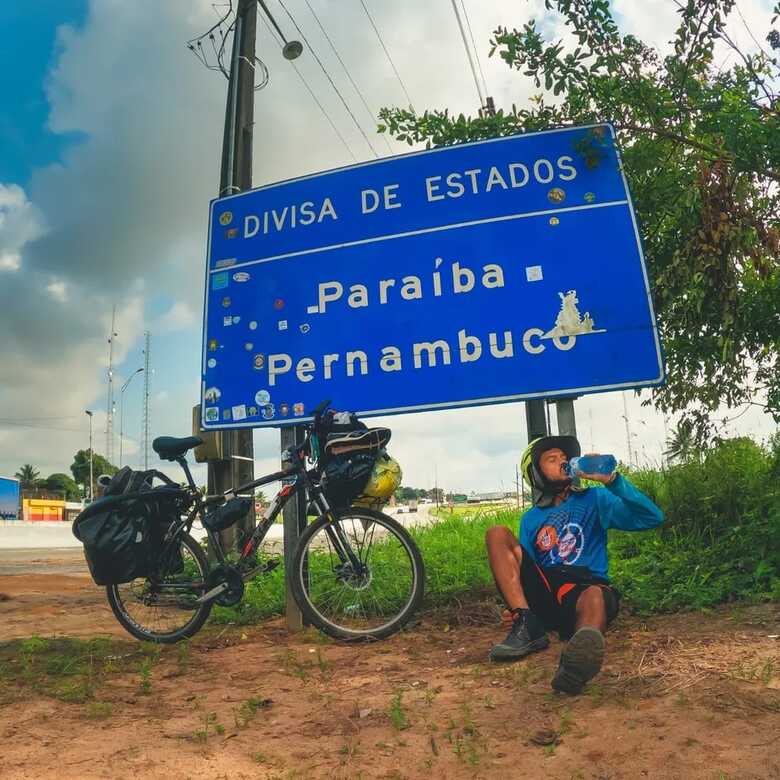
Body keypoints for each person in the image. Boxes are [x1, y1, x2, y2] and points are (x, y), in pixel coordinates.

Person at [485, 435, 664, 694]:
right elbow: (526, 571)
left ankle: (576, 665)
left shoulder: (595, 500)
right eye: (551, 459)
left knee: (594, 596)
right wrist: (519, 607)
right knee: (497, 534)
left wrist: (612, 482)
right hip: (548, 592)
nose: (562, 462)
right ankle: (527, 625)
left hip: (585, 588)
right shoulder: (531, 519)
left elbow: (652, 517)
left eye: (565, 458)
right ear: (535, 473)